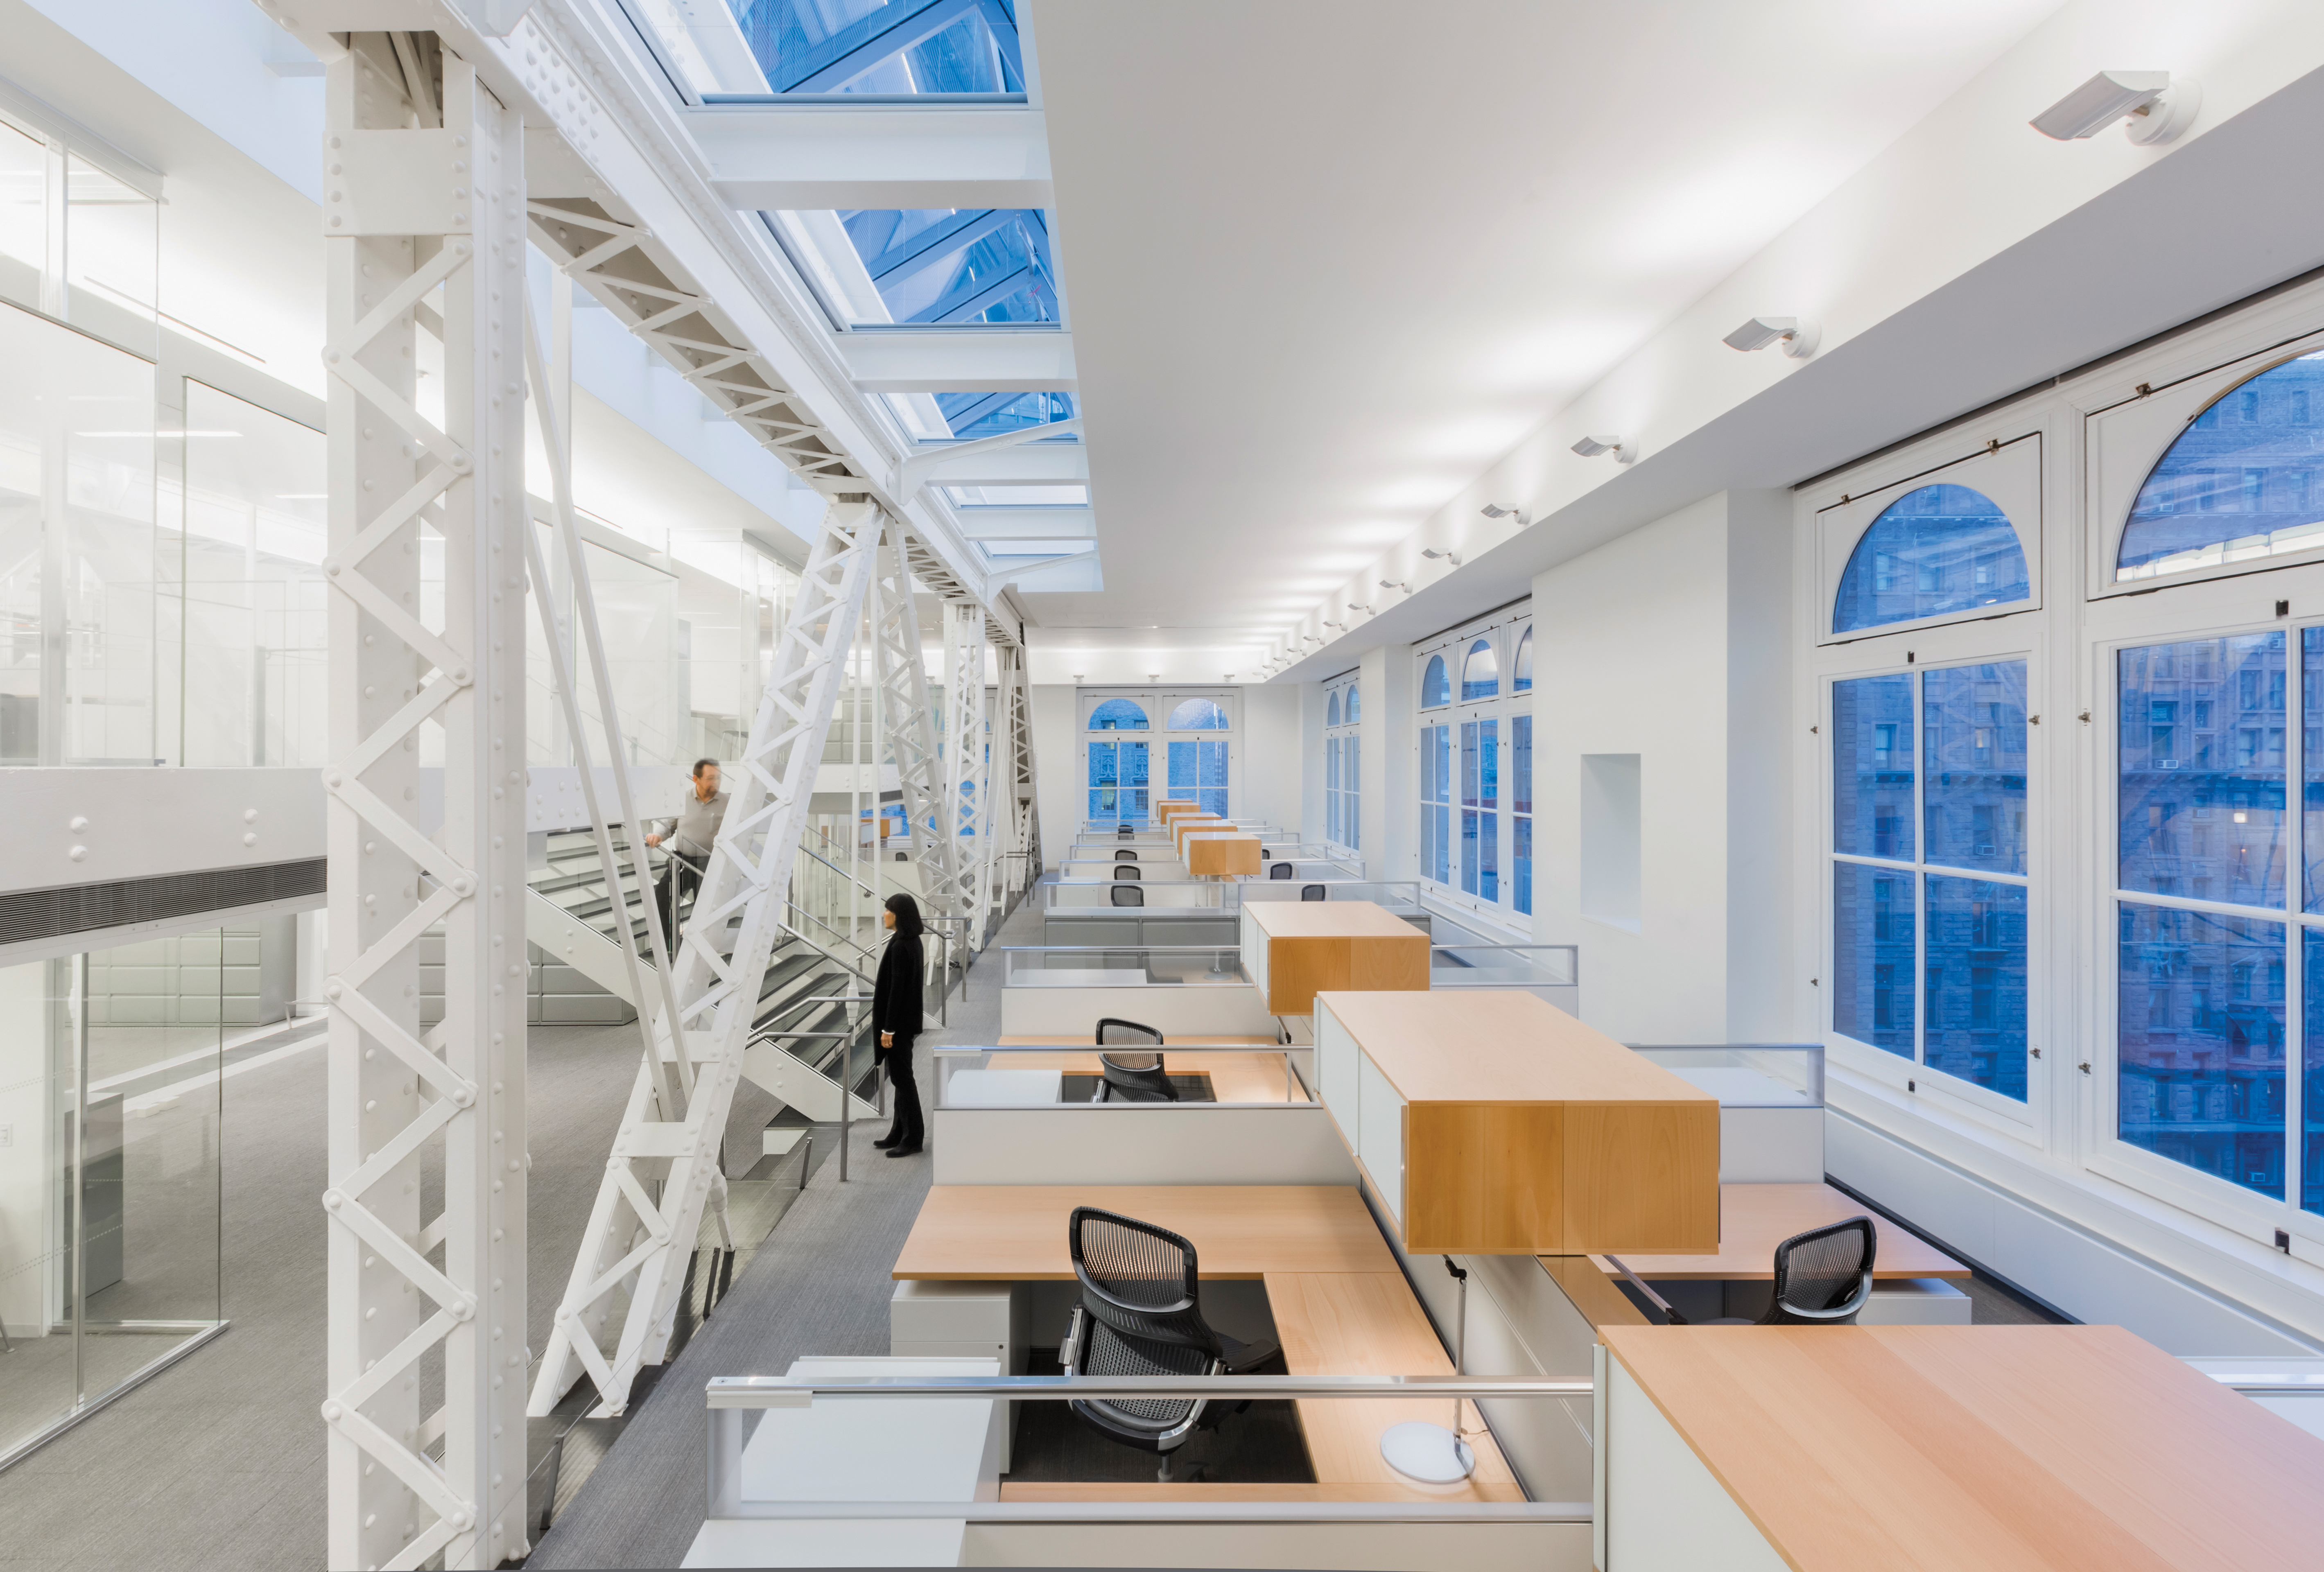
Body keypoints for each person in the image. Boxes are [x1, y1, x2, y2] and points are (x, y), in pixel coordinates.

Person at [645, 759, 726, 953]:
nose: (716, 782)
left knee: (706, 910)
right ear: (696, 779)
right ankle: (670, 947)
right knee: (661, 898)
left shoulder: (728, 803)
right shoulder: (681, 799)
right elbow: (667, 825)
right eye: (711, 778)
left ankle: (702, 952)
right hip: (682, 861)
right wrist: (657, 834)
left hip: (711, 865)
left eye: (718, 778)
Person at [871, 892, 926, 1157]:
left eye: (888, 910)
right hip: (906, 1024)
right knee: (900, 1079)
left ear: (899, 915)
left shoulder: (902, 946)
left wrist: (888, 1030)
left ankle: (913, 1138)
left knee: (904, 1081)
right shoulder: (908, 941)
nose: (885, 914)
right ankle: (899, 1131)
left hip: (899, 1027)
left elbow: (896, 991)